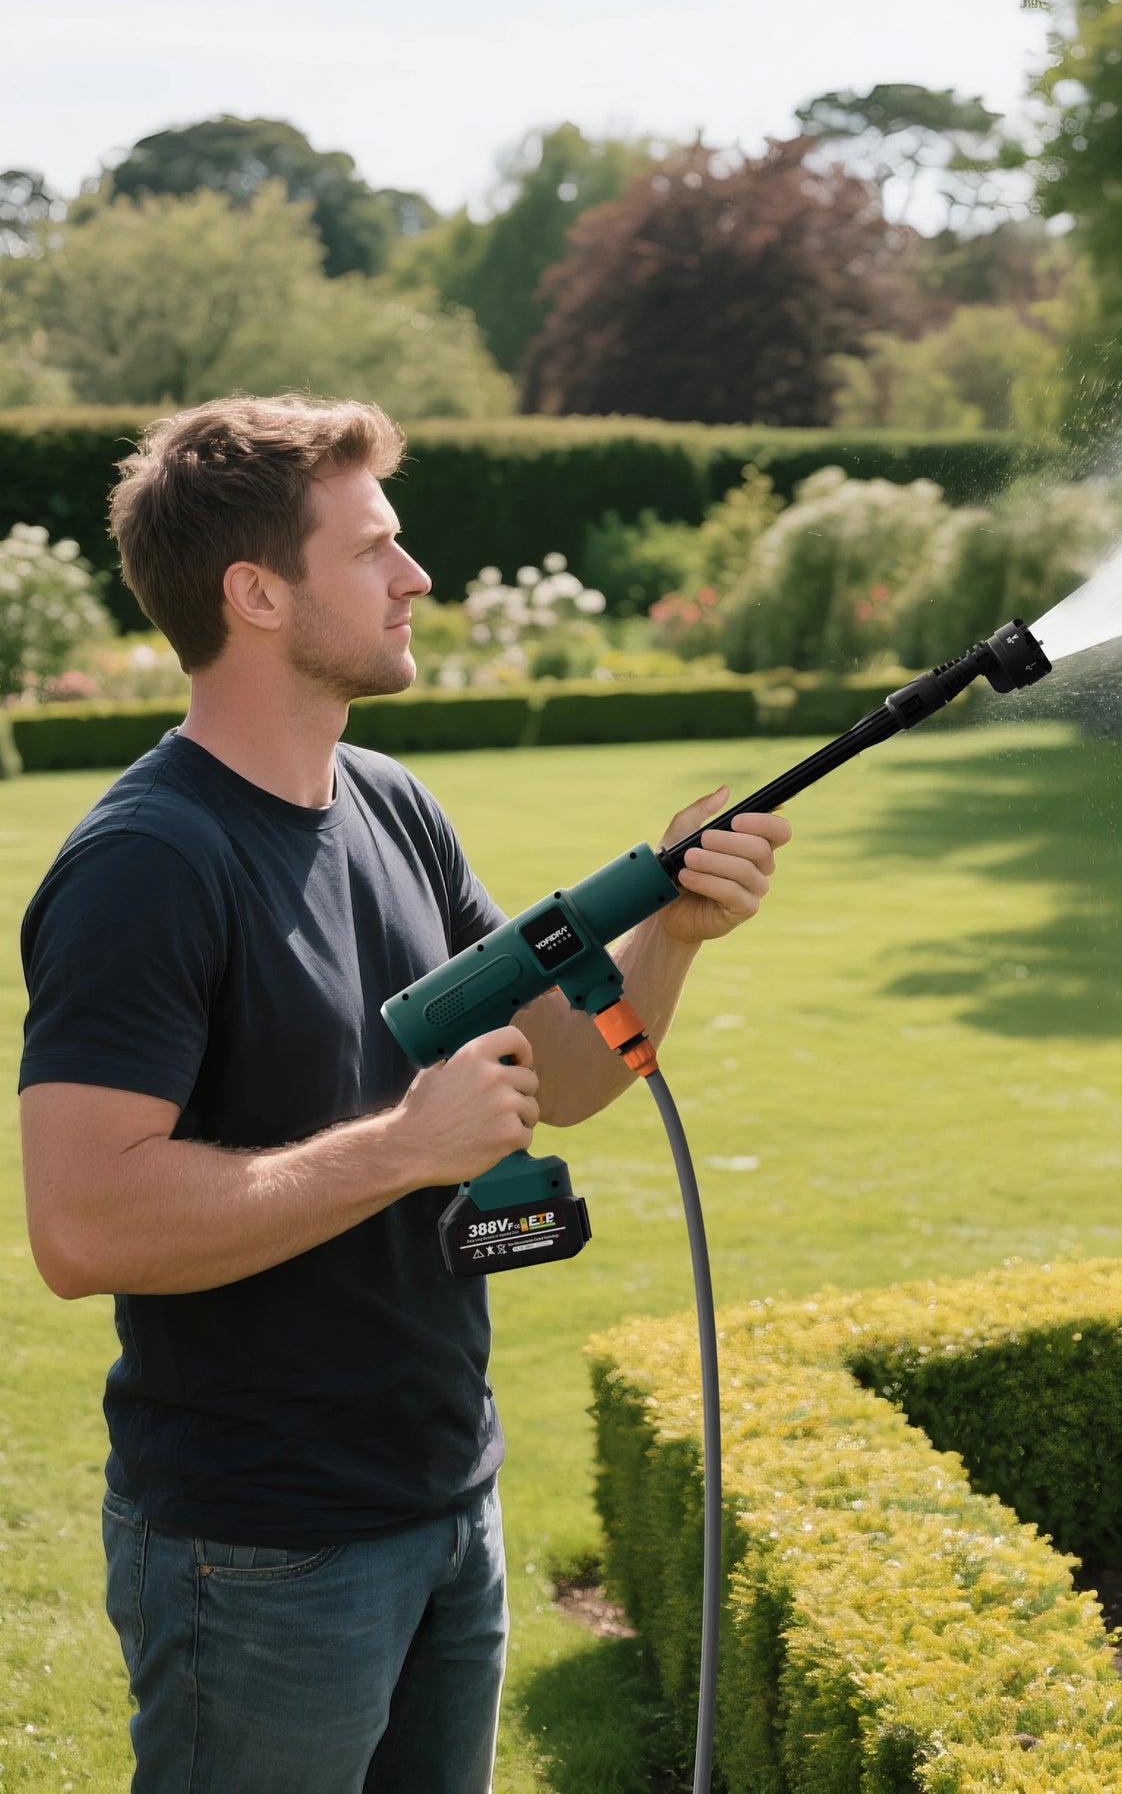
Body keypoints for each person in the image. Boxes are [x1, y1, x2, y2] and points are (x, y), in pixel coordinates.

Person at [15, 395, 791, 1793]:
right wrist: (397, 1146)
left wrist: (666, 932)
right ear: (255, 592)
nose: (417, 574)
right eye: (374, 546)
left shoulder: (388, 802)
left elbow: (551, 1072)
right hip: (260, 1552)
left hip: (443, 1498)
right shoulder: (147, 862)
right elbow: (83, 1224)